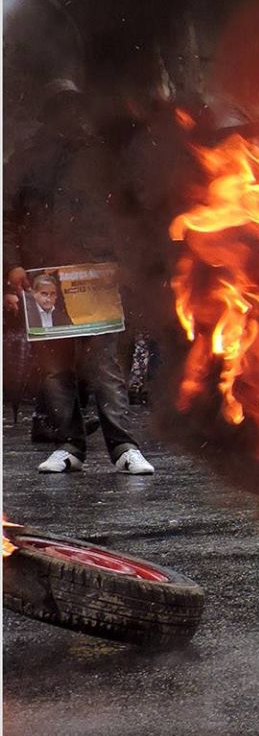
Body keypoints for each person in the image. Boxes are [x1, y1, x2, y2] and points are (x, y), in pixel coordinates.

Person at [7, 82, 154, 475]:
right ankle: (69, 445)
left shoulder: (104, 158)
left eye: (77, 109)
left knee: (104, 362)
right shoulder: (26, 161)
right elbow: (8, 219)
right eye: (63, 110)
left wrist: (124, 262)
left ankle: (123, 446)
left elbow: (128, 213)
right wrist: (13, 267)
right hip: (45, 280)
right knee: (55, 368)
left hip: (94, 277)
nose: (72, 118)